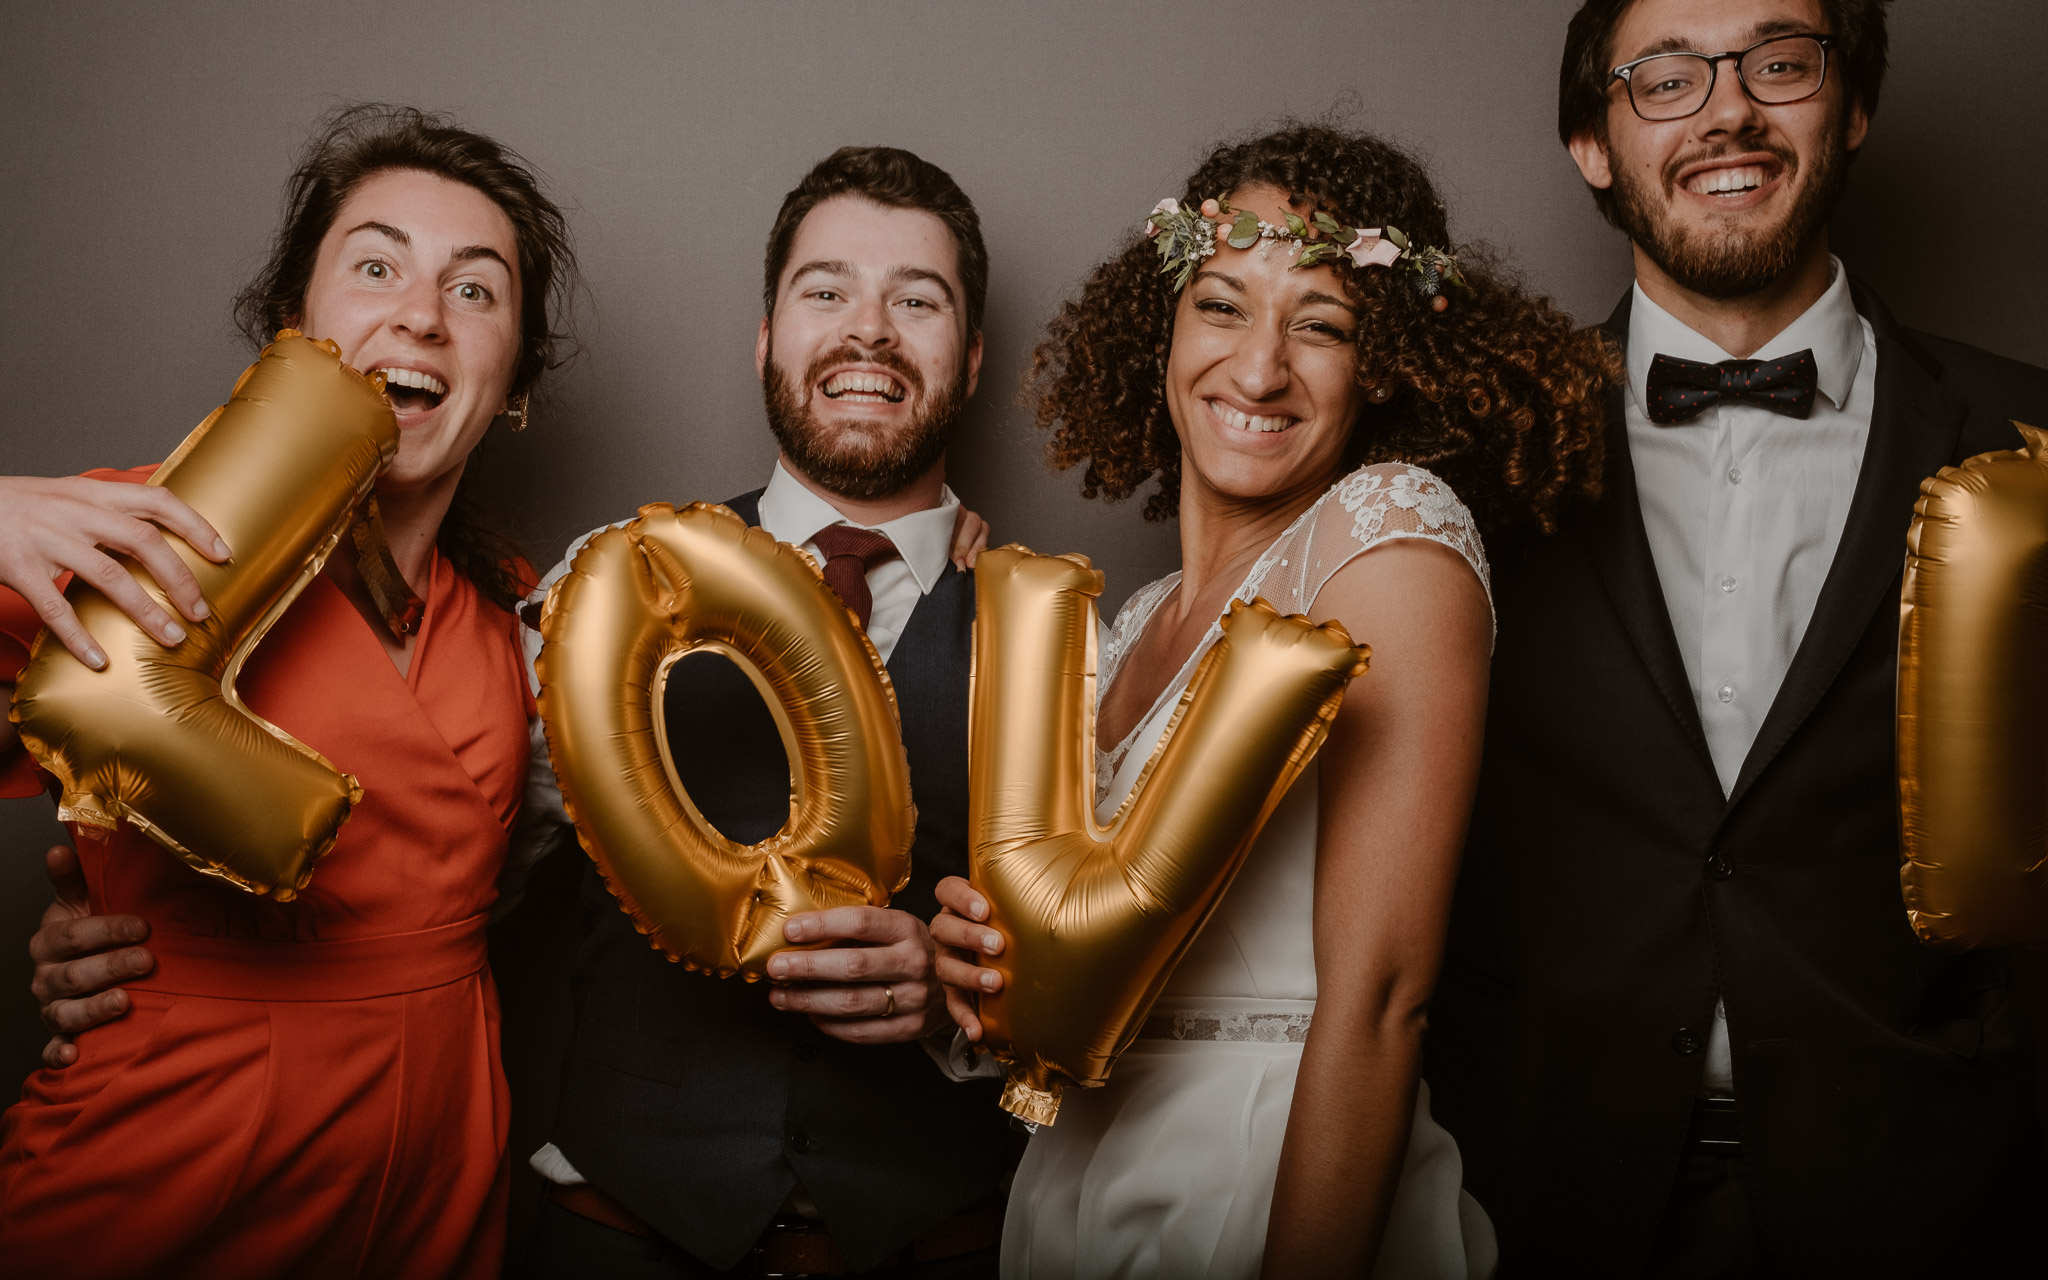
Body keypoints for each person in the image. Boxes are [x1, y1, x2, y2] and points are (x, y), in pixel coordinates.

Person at [1425, 0, 2048, 1273]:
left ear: (1852, 103)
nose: (1725, 109)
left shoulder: (2027, 439)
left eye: (1777, 61)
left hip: (1941, 1190)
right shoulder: (1455, 464)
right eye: (1661, 76)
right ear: (1588, 142)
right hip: (1534, 1192)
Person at [931, 124, 1616, 1278]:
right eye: (1222, 305)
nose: (1258, 369)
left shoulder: (1384, 540)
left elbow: (1383, 999)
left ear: (1388, 362)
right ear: (1160, 324)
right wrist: (983, 983)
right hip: (1076, 1183)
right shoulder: (1125, 623)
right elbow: (1084, 973)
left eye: (1322, 323)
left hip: (1275, 1169)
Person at [0, 104, 577, 1276]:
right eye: (375, 266)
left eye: (476, 290)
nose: (421, 313)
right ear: (292, 327)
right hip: (168, 1163)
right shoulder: (135, 534)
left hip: (435, 1187)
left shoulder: (518, 606)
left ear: (512, 379)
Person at [511, 145, 1015, 1278]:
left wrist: (956, 1008)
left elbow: (1100, 999)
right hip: (616, 1238)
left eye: (916, 300)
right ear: (765, 335)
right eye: (825, 290)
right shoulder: (606, 586)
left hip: (937, 1247)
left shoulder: (1055, 641)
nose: (868, 330)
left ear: (970, 359)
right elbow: (456, 873)